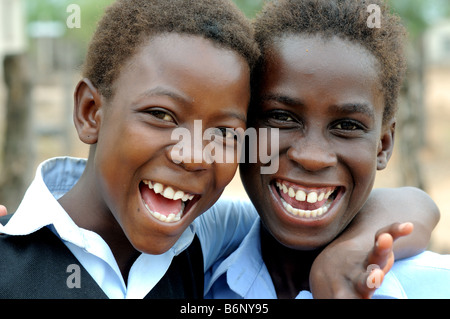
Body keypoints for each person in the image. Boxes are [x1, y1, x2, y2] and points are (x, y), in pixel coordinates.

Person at [0, 0, 440, 299]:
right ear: (91, 111)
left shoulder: (203, 242)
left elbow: (408, 205)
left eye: (225, 132)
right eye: (162, 115)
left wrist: (355, 247)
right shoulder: (204, 243)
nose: (193, 155)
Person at [205, 0, 450, 299]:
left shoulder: (434, 287)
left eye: (346, 125)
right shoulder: (197, 267)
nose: (311, 156)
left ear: (383, 145)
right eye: (281, 117)